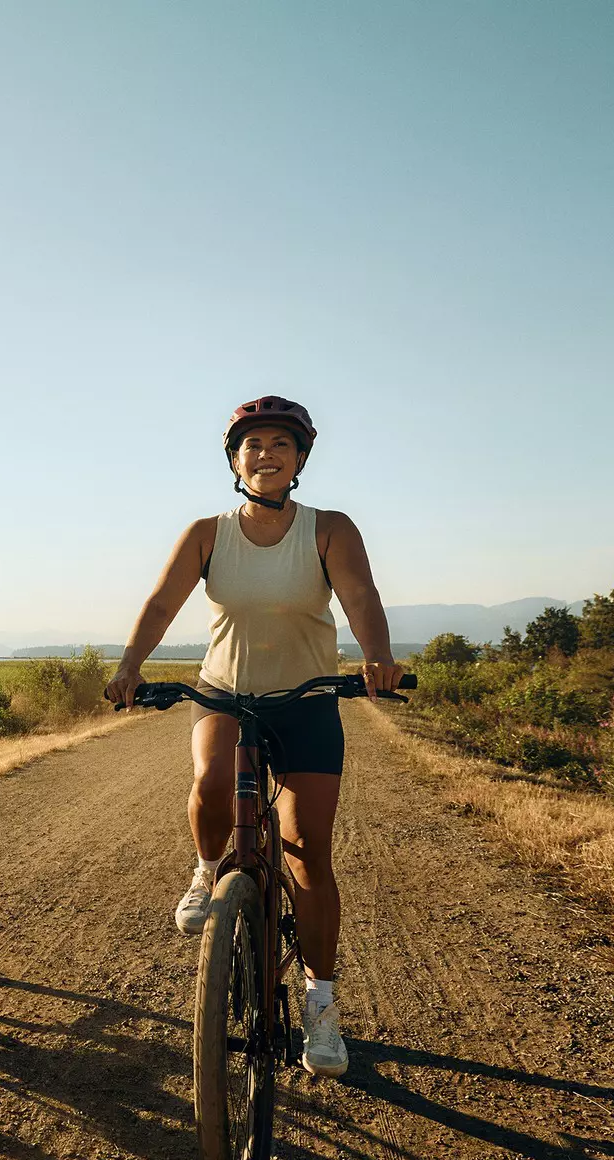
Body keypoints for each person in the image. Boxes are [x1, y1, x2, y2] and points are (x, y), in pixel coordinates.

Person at [105, 395, 401, 1077]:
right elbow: (160, 602)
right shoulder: (207, 533)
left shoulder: (329, 529)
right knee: (210, 785)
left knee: (305, 852)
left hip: (306, 700)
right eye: (253, 444)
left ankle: (321, 1004)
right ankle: (208, 870)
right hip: (223, 693)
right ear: (234, 459)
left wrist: (377, 655)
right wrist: (127, 666)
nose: (266, 454)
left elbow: (362, 598)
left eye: (280, 444)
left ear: (299, 459)